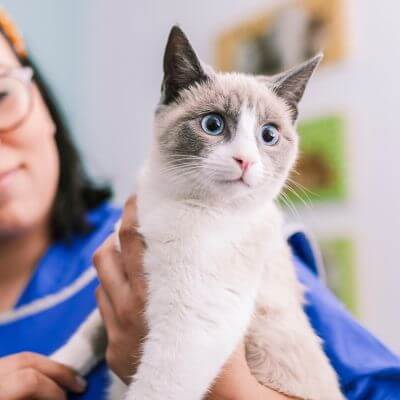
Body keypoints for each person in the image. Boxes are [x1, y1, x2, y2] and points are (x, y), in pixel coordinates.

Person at [0, 8, 399, 400]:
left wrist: (231, 389)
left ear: (41, 100)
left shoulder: (255, 233)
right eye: (213, 125)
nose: (246, 156)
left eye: (2, 94)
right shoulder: (144, 222)